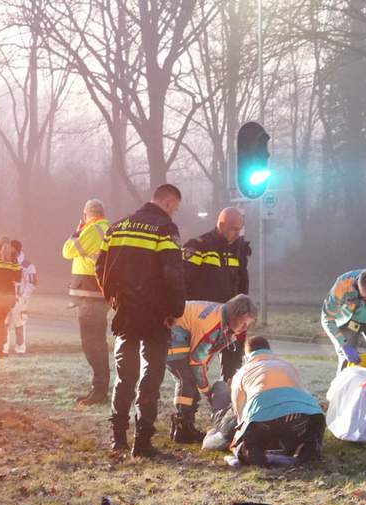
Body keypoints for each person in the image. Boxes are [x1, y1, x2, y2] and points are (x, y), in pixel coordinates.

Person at [95, 184, 187, 457]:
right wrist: (176, 310)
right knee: (151, 376)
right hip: (155, 315)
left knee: (124, 376)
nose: (175, 213)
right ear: (169, 202)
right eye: (176, 207)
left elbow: (100, 266)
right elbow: (173, 273)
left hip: (125, 313)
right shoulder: (164, 229)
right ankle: (143, 442)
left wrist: (112, 298)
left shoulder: (117, 227)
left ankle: (118, 439)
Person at [166, 294, 256, 444]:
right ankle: (182, 430)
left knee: (188, 380)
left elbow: (204, 355)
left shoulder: (221, 317)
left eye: (248, 324)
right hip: (171, 334)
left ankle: (184, 426)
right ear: (234, 315)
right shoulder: (211, 324)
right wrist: (207, 390)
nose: (245, 328)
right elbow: (196, 361)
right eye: (243, 323)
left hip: (178, 333)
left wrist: (202, 377)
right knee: (186, 380)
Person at [229, 337, 325, 466]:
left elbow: (239, 412)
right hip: (307, 415)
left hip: (262, 416)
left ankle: (256, 456)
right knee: (307, 435)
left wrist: (238, 438)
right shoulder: (287, 365)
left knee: (248, 447)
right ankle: (308, 450)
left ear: (246, 355)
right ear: (269, 351)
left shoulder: (242, 372)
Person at [181, 207, 251, 383]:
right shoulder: (198, 246)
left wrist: (243, 313)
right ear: (221, 224)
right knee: (194, 364)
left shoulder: (238, 250)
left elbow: (242, 283)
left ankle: (228, 401)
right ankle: (188, 406)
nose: (237, 233)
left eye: (240, 229)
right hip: (203, 319)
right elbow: (182, 280)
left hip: (231, 317)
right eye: (234, 229)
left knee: (233, 366)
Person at [63, 199, 112, 403]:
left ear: (87, 214)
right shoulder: (107, 228)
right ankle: (99, 388)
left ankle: (99, 390)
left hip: (91, 296)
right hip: (96, 296)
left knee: (92, 345)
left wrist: (77, 231)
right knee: (97, 343)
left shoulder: (93, 230)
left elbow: (67, 251)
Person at [6, 239, 37, 355]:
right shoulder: (6, 261)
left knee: (19, 324)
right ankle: (4, 348)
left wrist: (24, 297)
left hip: (19, 299)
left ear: (16, 249)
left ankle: (20, 349)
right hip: (6, 297)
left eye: (11, 248)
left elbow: (32, 282)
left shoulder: (27, 265)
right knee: (4, 323)